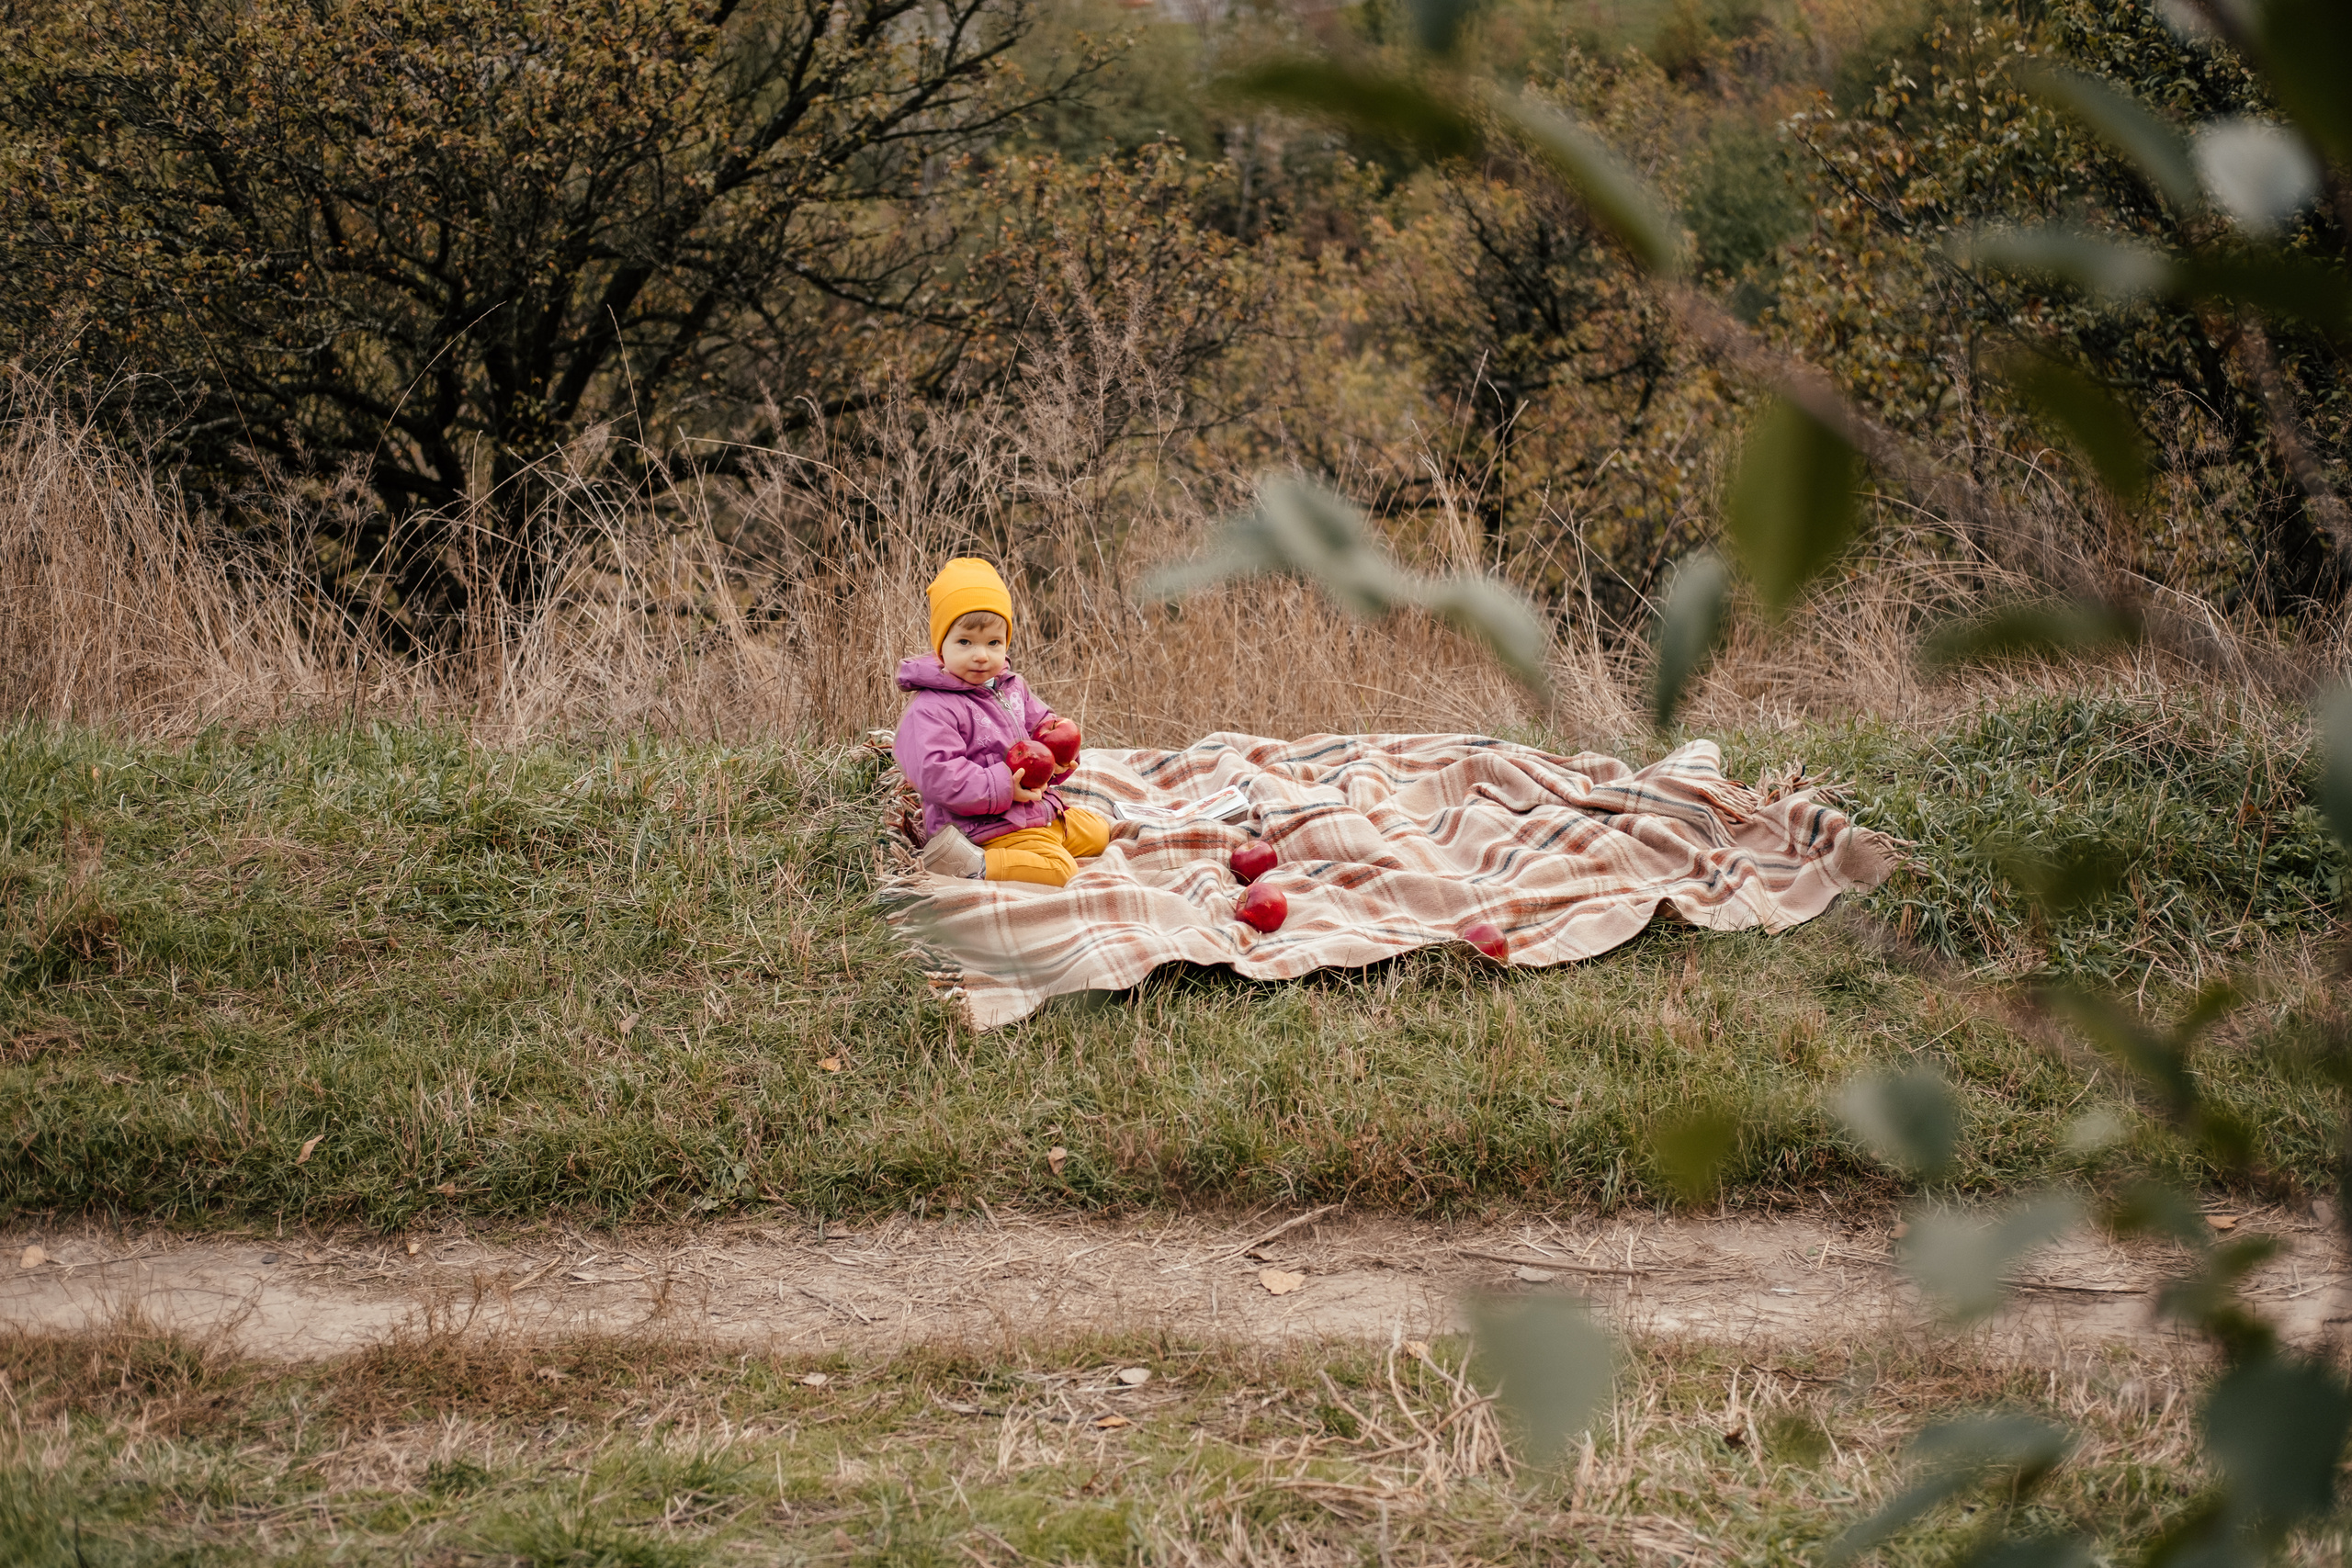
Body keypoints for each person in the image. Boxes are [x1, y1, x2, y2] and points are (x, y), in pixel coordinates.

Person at [894, 558, 1111, 886]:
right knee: (1060, 869)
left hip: (1025, 811)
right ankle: (970, 864)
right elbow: (938, 776)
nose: (981, 655)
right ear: (941, 647)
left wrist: (1060, 758)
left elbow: (1043, 728)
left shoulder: (1011, 687)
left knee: (1100, 832)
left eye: (993, 643)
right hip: (978, 827)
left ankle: (1040, 839)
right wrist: (1006, 787)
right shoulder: (932, 708)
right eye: (965, 642)